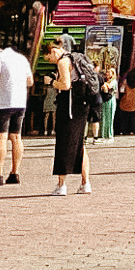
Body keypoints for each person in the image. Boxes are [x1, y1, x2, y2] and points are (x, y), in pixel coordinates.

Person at [49, 38, 94, 196]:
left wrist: (52, 82)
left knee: (64, 145)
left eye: (49, 58)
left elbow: (66, 85)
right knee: (80, 145)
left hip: (69, 109)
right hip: (82, 106)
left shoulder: (63, 62)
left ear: (54, 51)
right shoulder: (77, 59)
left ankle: (61, 185)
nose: (51, 61)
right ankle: (85, 183)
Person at [0, 41, 32, 186]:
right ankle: (15, 173)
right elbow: (29, 81)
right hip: (20, 102)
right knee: (17, 137)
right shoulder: (22, 59)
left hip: (4, 103)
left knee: (1, 139)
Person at [98, 58, 117, 142]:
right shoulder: (105, 80)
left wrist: (105, 85)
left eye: (109, 72)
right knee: (103, 117)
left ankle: (109, 135)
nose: (107, 73)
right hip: (104, 100)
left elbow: (107, 87)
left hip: (110, 100)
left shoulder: (113, 82)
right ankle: (102, 135)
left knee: (109, 118)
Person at [118, 65, 135, 131]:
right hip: (134, 102)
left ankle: (122, 130)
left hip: (124, 101)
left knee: (124, 117)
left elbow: (121, 91)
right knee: (132, 118)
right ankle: (131, 130)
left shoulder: (125, 83)